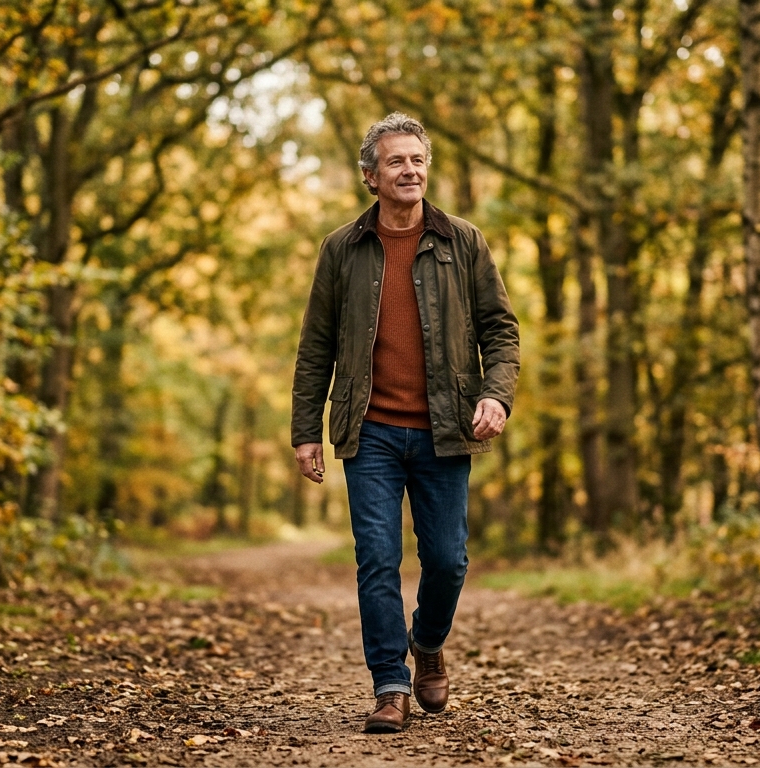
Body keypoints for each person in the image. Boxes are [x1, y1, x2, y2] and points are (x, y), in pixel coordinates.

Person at [290, 112, 520, 733]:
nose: (409, 171)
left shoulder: (463, 241)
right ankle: (390, 685)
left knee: (447, 560)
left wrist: (496, 395)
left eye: (417, 160)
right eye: (395, 162)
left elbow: (501, 329)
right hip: (370, 432)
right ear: (371, 176)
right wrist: (305, 430)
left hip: (446, 429)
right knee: (377, 558)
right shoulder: (341, 249)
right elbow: (316, 346)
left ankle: (429, 644)